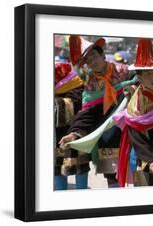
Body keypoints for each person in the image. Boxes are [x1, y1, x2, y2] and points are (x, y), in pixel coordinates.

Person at [59, 35, 136, 188]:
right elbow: (87, 112)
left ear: (103, 55)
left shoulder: (124, 71)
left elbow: (141, 85)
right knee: (112, 177)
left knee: (139, 169)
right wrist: (74, 133)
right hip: (107, 134)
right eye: (87, 61)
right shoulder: (90, 83)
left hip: (130, 128)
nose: (92, 62)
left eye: (94, 56)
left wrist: (133, 91)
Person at [113, 38, 153, 187]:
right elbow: (137, 137)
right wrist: (150, 160)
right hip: (147, 150)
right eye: (148, 74)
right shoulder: (135, 107)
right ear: (139, 78)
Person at [54, 62, 84, 190]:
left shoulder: (77, 87)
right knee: (58, 165)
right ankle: (60, 193)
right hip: (59, 135)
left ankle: (82, 193)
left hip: (76, 133)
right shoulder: (57, 89)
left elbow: (74, 105)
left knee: (81, 166)